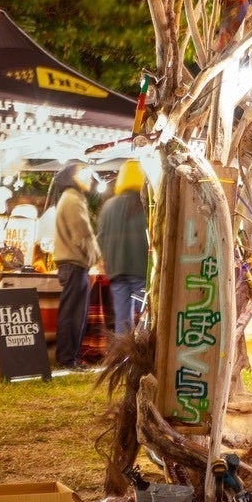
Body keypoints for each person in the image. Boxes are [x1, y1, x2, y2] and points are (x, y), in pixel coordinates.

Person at [48, 160, 100, 371]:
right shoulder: (72, 199)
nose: (90, 180)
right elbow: (83, 235)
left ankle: (69, 357)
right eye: (85, 174)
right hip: (74, 264)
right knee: (73, 313)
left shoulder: (70, 198)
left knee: (73, 312)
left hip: (72, 264)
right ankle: (67, 358)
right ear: (74, 177)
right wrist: (95, 257)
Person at [97, 159, 150, 334]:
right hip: (141, 270)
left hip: (117, 271)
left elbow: (101, 239)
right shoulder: (145, 206)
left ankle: (123, 350)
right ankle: (146, 348)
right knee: (147, 316)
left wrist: (106, 259)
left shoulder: (108, 206)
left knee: (122, 318)